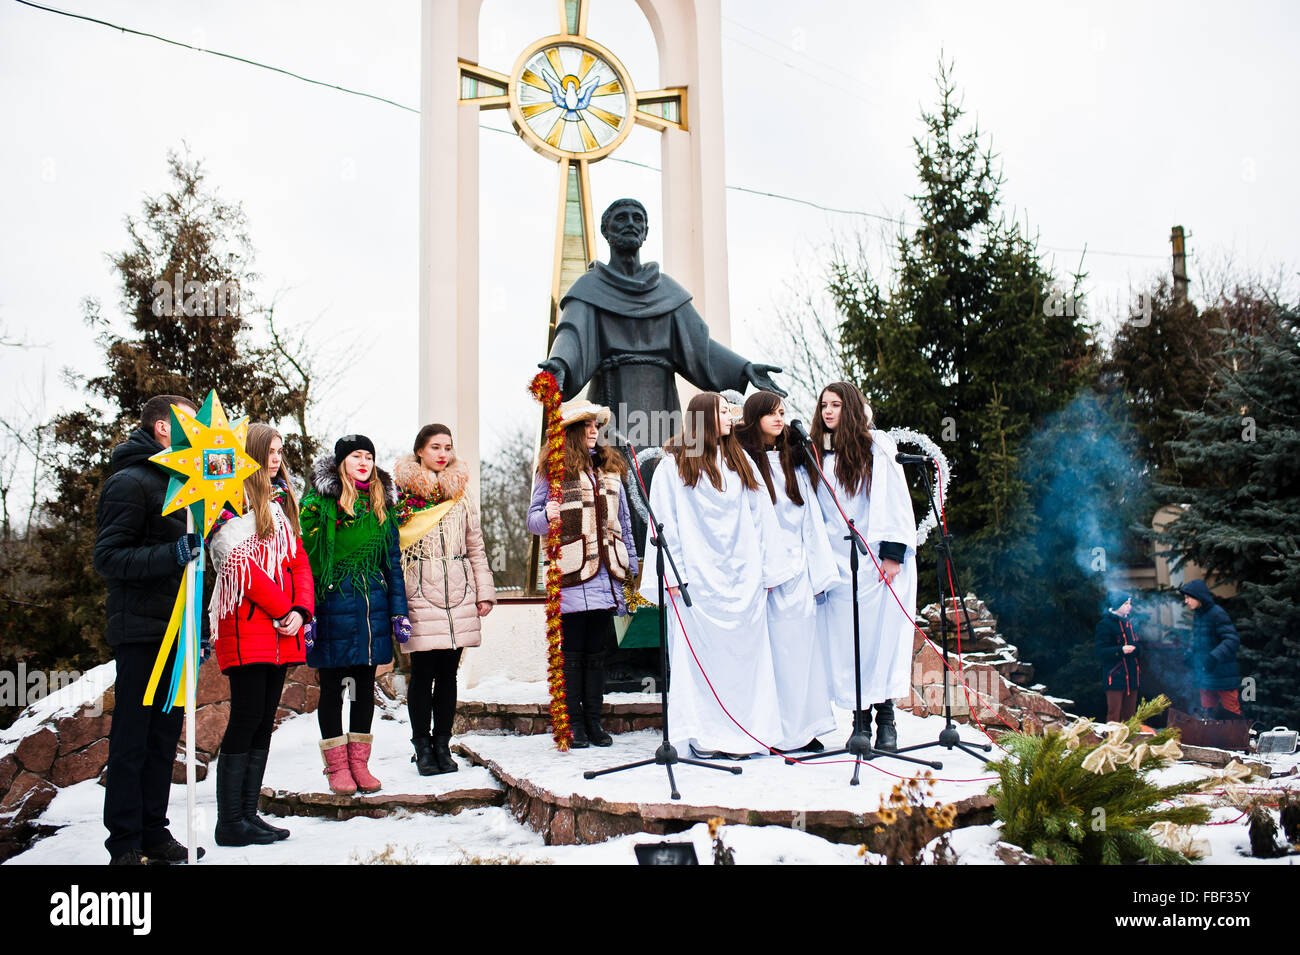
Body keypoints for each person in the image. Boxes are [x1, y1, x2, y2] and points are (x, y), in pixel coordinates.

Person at [639, 392, 795, 759]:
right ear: (704, 418)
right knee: (700, 665)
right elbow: (665, 524)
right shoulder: (673, 466)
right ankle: (705, 735)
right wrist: (673, 577)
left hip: (743, 584)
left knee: (745, 664)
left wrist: (770, 570)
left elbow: (761, 520)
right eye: (724, 411)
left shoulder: (741, 463)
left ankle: (749, 733)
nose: (731, 416)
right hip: (697, 587)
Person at [94, 393, 204, 865]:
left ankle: (154, 833)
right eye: (187, 420)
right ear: (163, 428)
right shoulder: (130, 482)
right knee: (133, 739)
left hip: (180, 630)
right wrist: (173, 553)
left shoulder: (191, 485)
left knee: (164, 739)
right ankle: (124, 844)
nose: (198, 427)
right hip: (141, 630)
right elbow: (109, 557)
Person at [206, 423, 313, 845]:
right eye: (269, 451)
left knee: (263, 721)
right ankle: (229, 821)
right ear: (250, 454)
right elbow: (238, 567)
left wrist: (301, 610)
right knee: (245, 719)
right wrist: (282, 607)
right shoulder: (229, 504)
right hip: (247, 626)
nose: (277, 458)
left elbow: (299, 560)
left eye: (280, 450)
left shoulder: (283, 501)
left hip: (283, 630)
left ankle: (247, 816)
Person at [806, 381, 917, 753]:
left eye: (836, 405)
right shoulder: (816, 454)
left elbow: (895, 501)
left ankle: (886, 721)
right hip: (837, 565)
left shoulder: (876, 447)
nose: (828, 411)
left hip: (875, 563)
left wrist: (892, 553)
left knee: (879, 642)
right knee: (847, 645)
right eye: (824, 405)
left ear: (850, 408)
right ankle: (859, 723)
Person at [300, 435, 410, 794]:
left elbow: (392, 562)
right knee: (332, 688)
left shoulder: (381, 505)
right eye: (355, 456)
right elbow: (307, 558)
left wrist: (397, 611)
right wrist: (306, 612)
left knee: (363, 687)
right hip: (332, 604)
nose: (363, 462)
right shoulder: (319, 504)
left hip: (370, 606)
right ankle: (337, 768)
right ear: (341, 462)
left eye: (368, 456)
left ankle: (360, 765)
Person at [526, 400, 640, 747]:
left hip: (606, 573)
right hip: (573, 574)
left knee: (597, 654)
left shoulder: (609, 470)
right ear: (572, 431)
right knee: (572, 654)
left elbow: (623, 524)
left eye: (596, 426)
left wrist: (631, 563)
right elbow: (533, 520)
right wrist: (548, 513)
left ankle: (594, 721)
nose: (594, 431)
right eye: (587, 426)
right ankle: (573, 723)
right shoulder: (553, 471)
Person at [734, 391, 838, 754]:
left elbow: (809, 518)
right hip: (767, 573)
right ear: (754, 417)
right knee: (773, 655)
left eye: (782, 412)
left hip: (800, 572)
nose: (779, 419)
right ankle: (775, 731)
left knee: (803, 654)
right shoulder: (743, 463)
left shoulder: (795, 459)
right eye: (771, 413)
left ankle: (804, 728)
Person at [394, 424, 496, 775]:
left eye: (448, 447)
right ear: (419, 450)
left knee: (449, 674)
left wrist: (484, 592)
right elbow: (393, 550)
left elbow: (476, 547)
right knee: (422, 672)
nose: (443, 453)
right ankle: (422, 747)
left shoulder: (460, 495)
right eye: (435, 446)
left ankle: (442, 745)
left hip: (459, 591)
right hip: (419, 589)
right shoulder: (402, 497)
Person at [1179, 579, 1242, 719]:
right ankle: (1211, 740)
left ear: (1198, 597)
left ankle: (1237, 740)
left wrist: (1213, 657)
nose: (1186, 601)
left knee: (1232, 713)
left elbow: (1232, 640)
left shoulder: (1217, 613)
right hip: (1205, 676)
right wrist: (1189, 654)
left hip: (1223, 675)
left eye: (1188, 597)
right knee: (1208, 714)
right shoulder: (1198, 615)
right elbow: (1197, 640)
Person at [1094, 591, 1140, 723]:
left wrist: (1136, 649)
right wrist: (1121, 650)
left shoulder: (1129, 624)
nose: (1129, 607)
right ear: (1117, 605)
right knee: (1114, 714)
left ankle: (1129, 742)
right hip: (1114, 677)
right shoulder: (1105, 624)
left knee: (1130, 716)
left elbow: (1138, 644)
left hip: (1131, 676)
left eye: (1130, 603)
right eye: (1126, 603)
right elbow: (1100, 652)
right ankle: (1113, 741)